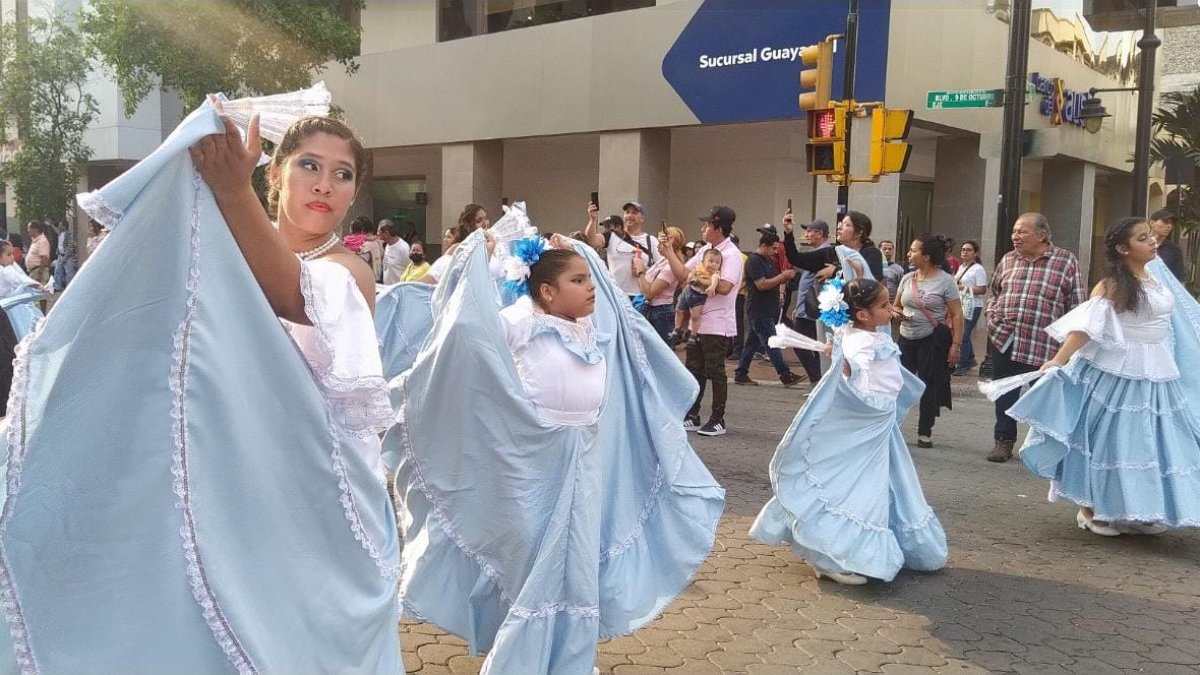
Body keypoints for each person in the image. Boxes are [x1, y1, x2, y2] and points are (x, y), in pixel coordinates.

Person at [0, 88, 403, 671]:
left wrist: (232, 191)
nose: (325, 185)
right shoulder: (220, 245)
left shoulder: (349, 270)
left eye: (343, 175)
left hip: (314, 500)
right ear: (276, 176)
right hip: (233, 477)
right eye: (310, 166)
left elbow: (291, 294)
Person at [386, 230, 724, 675]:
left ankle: (569, 661)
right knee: (534, 562)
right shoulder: (523, 319)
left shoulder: (594, 327)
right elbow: (468, 331)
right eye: (577, 281)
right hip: (533, 463)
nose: (590, 289)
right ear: (547, 291)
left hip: (586, 458)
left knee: (577, 564)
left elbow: (617, 302)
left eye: (589, 280)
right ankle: (519, 661)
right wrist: (473, 259)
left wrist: (583, 251)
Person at [1010, 217, 1200, 536]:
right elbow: (1086, 328)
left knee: (1152, 441)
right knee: (1110, 440)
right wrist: (1057, 360)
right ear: (1123, 249)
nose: (1152, 242)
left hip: (1157, 370)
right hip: (1116, 370)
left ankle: (1142, 509)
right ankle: (1091, 508)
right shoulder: (1112, 285)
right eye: (1143, 238)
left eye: (1150, 236)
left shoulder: (1157, 278)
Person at [750, 278, 947, 585]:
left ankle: (837, 549)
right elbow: (851, 373)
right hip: (866, 422)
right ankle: (832, 556)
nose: (891, 310)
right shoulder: (860, 341)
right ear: (863, 314)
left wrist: (855, 267)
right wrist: (842, 360)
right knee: (858, 486)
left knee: (877, 482)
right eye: (884, 305)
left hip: (879, 422)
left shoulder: (865, 333)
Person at [985, 213, 1084, 463]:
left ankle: (1046, 447)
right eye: (1014, 231)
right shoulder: (1008, 259)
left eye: (1022, 231)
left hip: (1044, 345)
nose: (1015, 236)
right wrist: (991, 315)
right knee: (1005, 393)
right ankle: (1003, 441)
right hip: (1006, 339)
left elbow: (1076, 304)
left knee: (1045, 399)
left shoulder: (1065, 261)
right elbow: (994, 293)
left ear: (1041, 235)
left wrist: (1068, 346)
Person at [661, 206, 742, 437]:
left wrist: (696, 279)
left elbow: (724, 287)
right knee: (694, 368)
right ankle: (692, 414)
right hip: (697, 322)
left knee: (715, 371)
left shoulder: (732, 255)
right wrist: (669, 251)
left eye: (707, 225)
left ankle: (718, 419)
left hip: (717, 322)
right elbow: (682, 275)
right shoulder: (706, 250)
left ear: (718, 229)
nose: (703, 228)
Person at [894, 234, 964, 448]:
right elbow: (896, 305)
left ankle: (925, 431)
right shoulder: (908, 278)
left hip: (931, 340)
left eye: (913, 250)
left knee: (927, 385)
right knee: (897, 384)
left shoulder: (946, 281)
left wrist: (956, 345)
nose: (909, 254)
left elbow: (957, 314)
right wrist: (898, 314)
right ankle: (892, 426)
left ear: (926, 256)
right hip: (906, 338)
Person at [734, 229, 801, 386]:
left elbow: (773, 280)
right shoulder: (754, 261)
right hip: (759, 309)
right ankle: (785, 374)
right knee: (771, 342)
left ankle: (741, 373)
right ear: (763, 246)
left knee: (751, 343)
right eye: (772, 248)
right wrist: (782, 276)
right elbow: (761, 284)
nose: (774, 251)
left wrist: (783, 282)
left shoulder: (768, 261)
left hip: (767, 309)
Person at [583, 199, 657, 301]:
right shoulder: (611, 236)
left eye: (634, 213)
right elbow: (592, 240)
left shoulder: (651, 241)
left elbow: (660, 268)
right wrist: (593, 219)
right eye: (627, 212)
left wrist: (644, 269)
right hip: (617, 295)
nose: (629, 215)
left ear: (642, 218)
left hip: (641, 297)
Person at [633, 225, 684, 342]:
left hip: (661, 313)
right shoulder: (662, 261)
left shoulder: (670, 267)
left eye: (661, 243)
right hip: (654, 311)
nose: (658, 246)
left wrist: (640, 271)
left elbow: (649, 293)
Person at [667, 248, 722, 345]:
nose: (714, 264)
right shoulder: (698, 267)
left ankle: (693, 335)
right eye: (711, 261)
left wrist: (712, 287)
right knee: (679, 310)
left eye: (717, 263)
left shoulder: (715, 273)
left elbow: (715, 280)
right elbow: (690, 276)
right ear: (703, 261)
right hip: (688, 291)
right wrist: (691, 279)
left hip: (699, 297)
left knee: (695, 316)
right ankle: (677, 328)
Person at [953, 240, 988, 375]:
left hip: (973, 305)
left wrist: (965, 288)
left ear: (975, 253)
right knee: (963, 333)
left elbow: (982, 289)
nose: (965, 252)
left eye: (968, 250)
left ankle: (963, 364)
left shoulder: (978, 269)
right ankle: (970, 358)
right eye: (963, 249)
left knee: (964, 334)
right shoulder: (961, 267)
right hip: (961, 303)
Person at [0, 241, 46, 340]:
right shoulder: (7, 270)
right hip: (7, 306)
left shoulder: (6, 269)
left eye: (12, 254)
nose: (12, 257)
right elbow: (19, 278)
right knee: (20, 327)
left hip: (5, 304)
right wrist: (34, 284)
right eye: (9, 255)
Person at [838, 211, 885, 281]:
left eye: (847, 225)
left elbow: (871, 282)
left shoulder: (871, 254)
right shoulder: (833, 251)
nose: (839, 227)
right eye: (841, 223)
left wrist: (835, 270)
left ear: (859, 233)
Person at [1148, 208, 1187, 281]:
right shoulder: (1141, 245)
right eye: (1165, 222)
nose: (1169, 226)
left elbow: (1179, 277)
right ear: (1152, 223)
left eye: (1171, 223)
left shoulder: (1174, 249)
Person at [52, 220, 78, 292]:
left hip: (68, 256)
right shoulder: (60, 233)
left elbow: (70, 247)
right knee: (57, 271)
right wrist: (51, 225)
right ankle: (57, 286)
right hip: (60, 255)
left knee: (69, 273)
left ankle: (71, 288)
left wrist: (65, 257)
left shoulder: (69, 235)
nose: (59, 226)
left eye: (60, 225)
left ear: (64, 226)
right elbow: (55, 229)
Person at [24, 221, 51, 286]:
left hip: (38, 272)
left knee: (39, 291)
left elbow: (44, 258)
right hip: (33, 272)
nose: (28, 230)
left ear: (36, 229)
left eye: (29, 228)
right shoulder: (36, 240)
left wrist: (40, 274)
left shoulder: (42, 241)